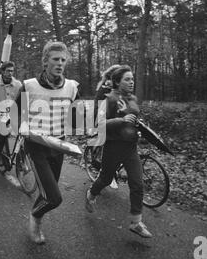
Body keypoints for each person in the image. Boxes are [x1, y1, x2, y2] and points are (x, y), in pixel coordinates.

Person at [15, 41, 80, 244]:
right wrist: (23, 128)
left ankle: (37, 215)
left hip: (58, 146)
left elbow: (75, 117)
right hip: (36, 146)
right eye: (55, 59)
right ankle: (35, 219)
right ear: (45, 61)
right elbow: (16, 116)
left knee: (47, 193)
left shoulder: (72, 87)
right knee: (54, 197)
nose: (60, 63)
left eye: (63, 60)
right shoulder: (29, 86)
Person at [85, 65, 153, 238]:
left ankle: (136, 222)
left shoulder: (133, 98)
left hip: (131, 147)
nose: (131, 82)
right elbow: (99, 124)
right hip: (113, 146)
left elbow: (134, 118)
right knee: (106, 179)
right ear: (116, 81)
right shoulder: (108, 99)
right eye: (127, 79)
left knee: (137, 183)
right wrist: (120, 119)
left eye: (132, 79)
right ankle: (91, 194)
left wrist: (142, 129)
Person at [0, 61, 22, 173]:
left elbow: (21, 102)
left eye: (12, 71)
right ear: (2, 71)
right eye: (8, 71)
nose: (10, 73)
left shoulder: (18, 85)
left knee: (25, 133)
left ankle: (22, 158)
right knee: (1, 131)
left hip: (14, 114)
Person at [94, 64, 122, 189]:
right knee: (110, 148)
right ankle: (106, 173)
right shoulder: (105, 87)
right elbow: (99, 107)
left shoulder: (119, 88)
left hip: (115, 120)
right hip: (102, 119)